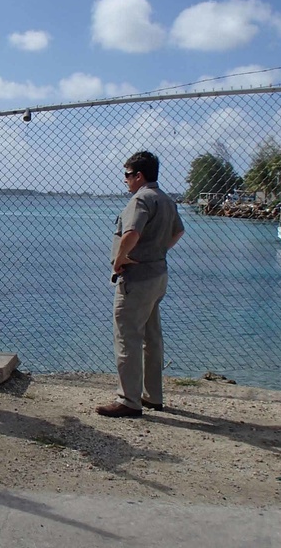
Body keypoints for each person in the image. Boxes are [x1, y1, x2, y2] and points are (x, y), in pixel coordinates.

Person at [97, 151, 184, 418]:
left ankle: (129, 400)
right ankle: (152, 395)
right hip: (158, 275)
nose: (124, 180)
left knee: (127, 337)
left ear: (139, 176)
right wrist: (158, 251)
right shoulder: (166, 200)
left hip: (137, 279)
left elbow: (131, 232)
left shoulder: (141, 199)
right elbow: (178, 231)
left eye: (126, 174)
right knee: (151, 336)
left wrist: (120, 259)